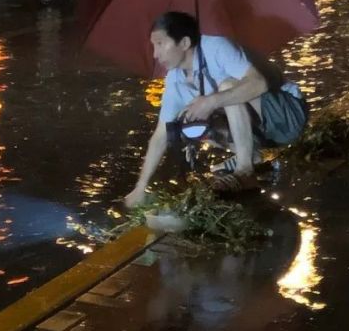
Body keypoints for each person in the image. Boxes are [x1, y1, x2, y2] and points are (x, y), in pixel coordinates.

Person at [124, 11, 307, 207]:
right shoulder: (175, 80)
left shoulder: (217, 47)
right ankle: (250, 154)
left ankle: (244, 170)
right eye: (153, 46)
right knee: (188, 117)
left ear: (185, 43)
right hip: (264, 135)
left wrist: (211, 101)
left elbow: (259, 84)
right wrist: (140, 186)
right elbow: (161, 135)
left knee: (226, 87)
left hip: (288, 116)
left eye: (160, 44)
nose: (155, 54)